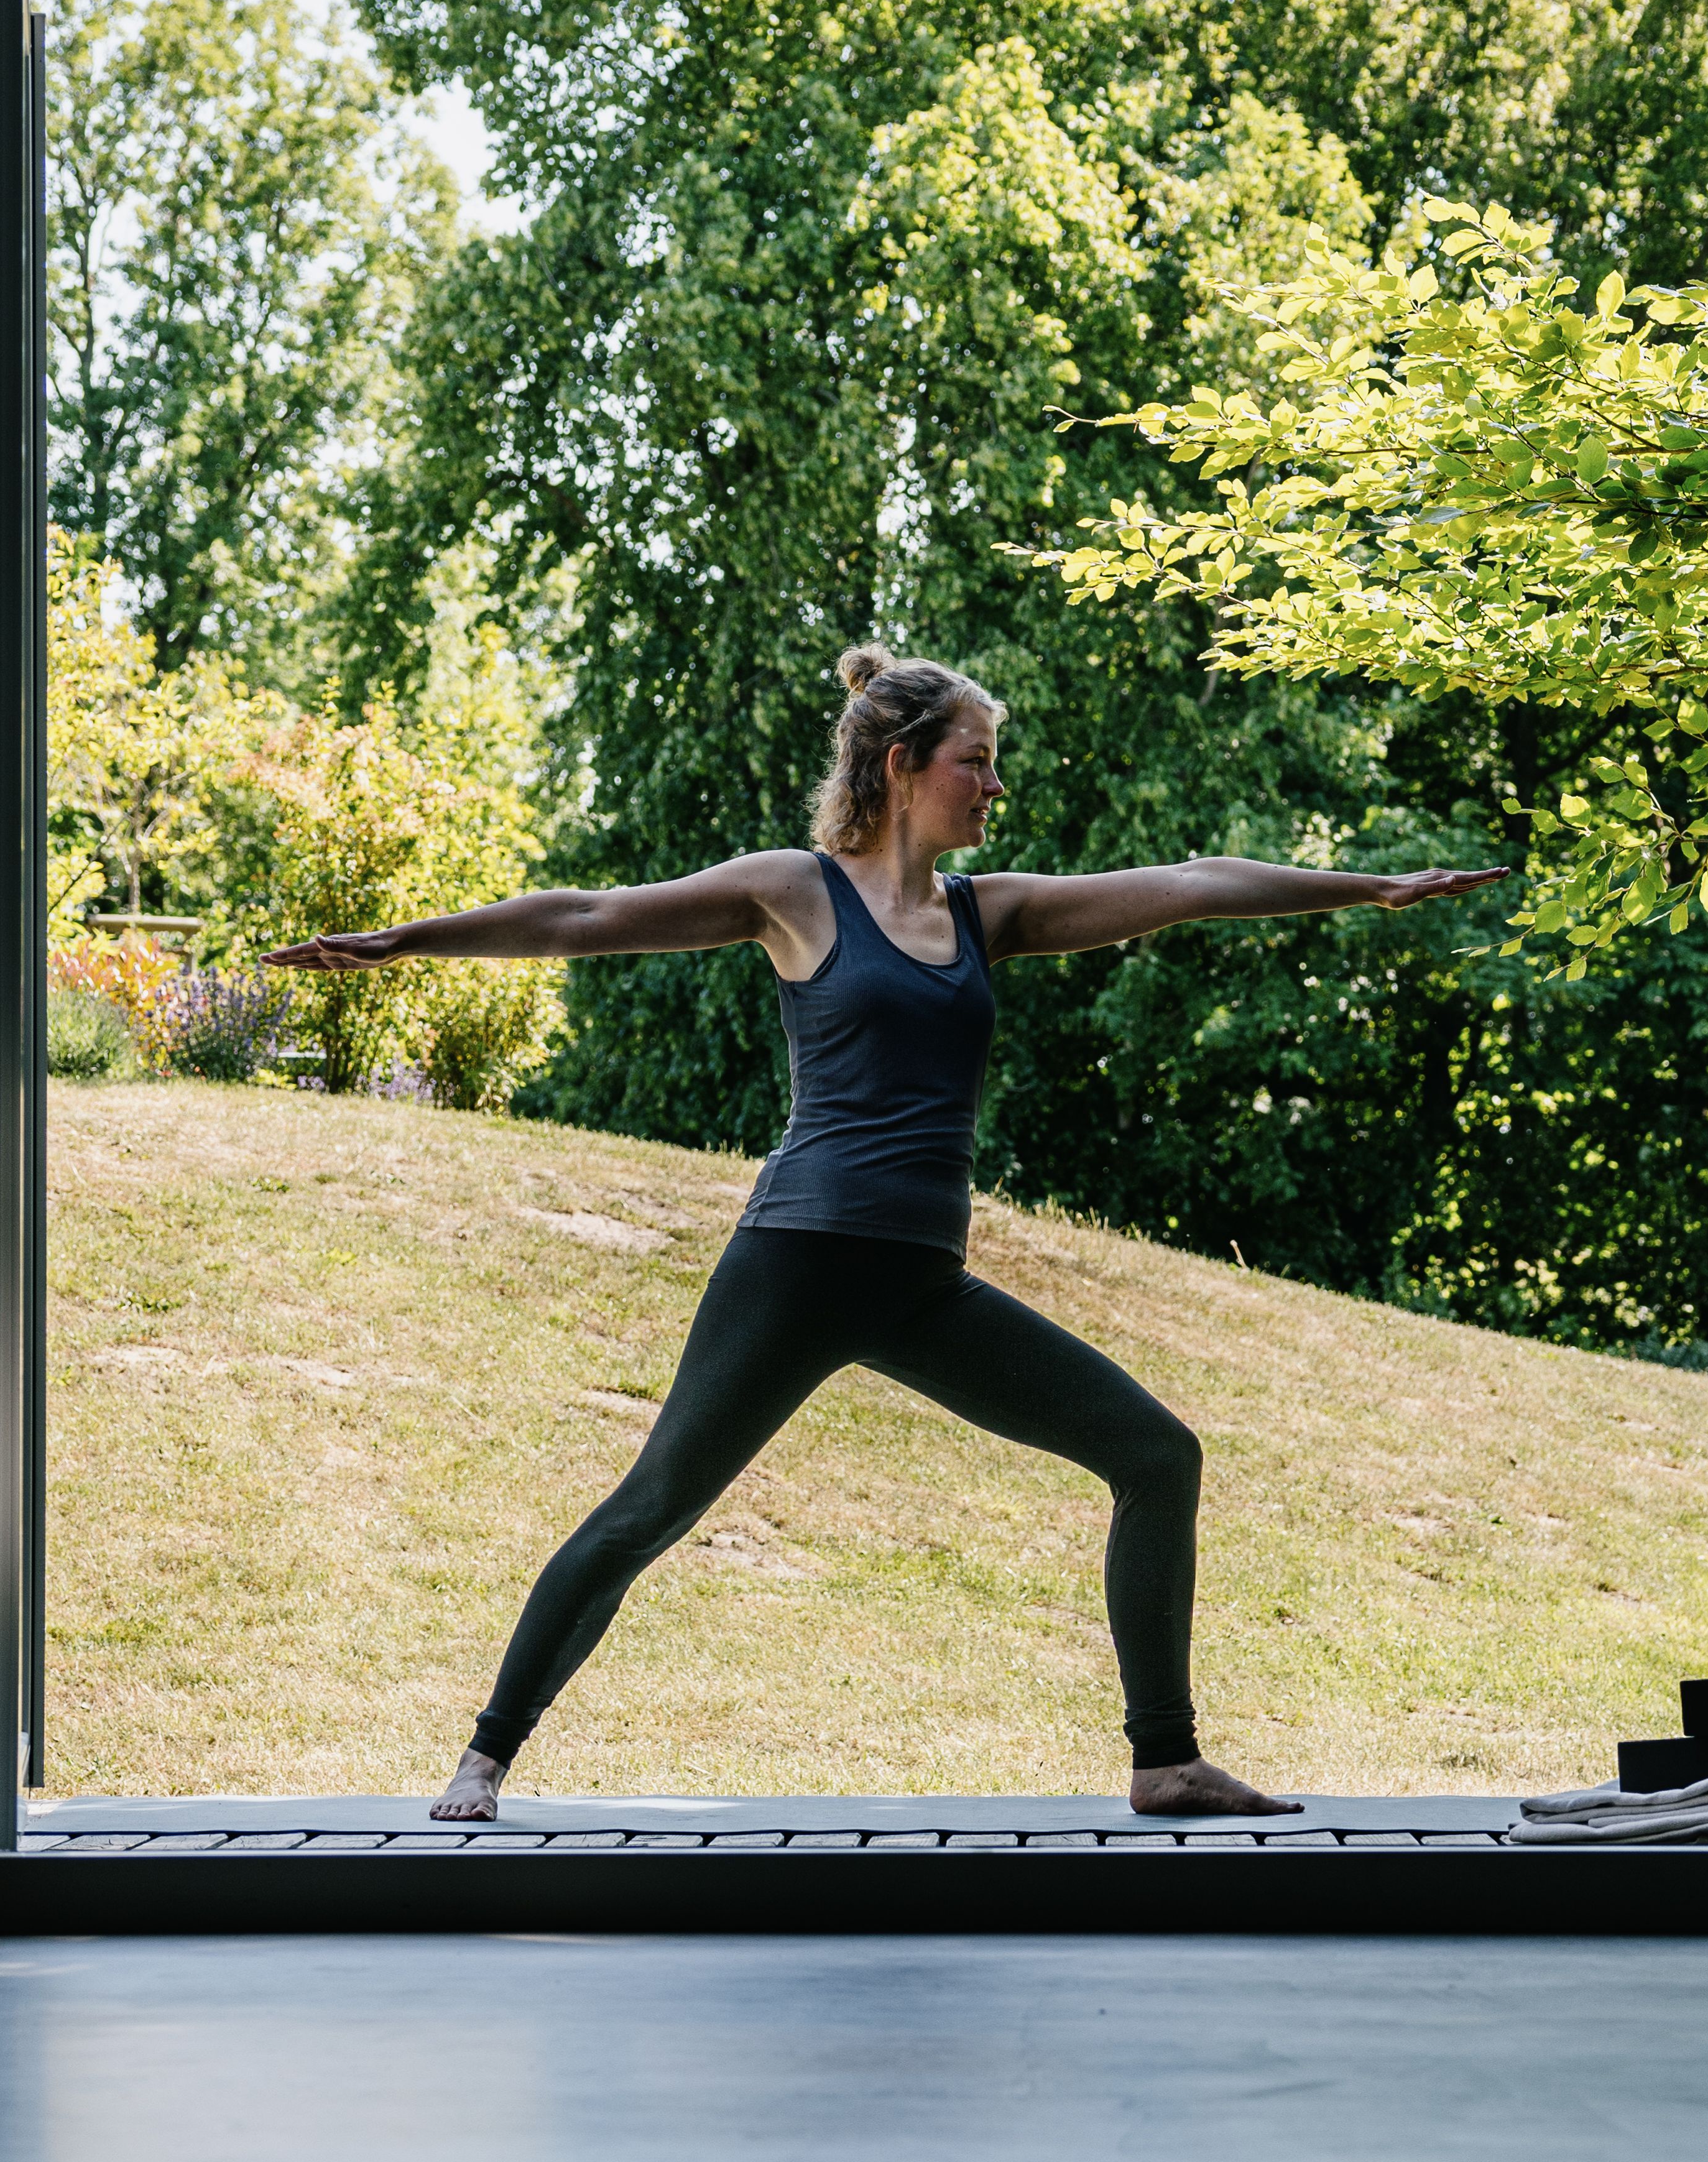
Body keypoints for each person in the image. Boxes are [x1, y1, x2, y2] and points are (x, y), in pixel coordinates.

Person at [266, 645, 1507, 1821]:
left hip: (922, 1284)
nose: (995, 785)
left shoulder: (986, 912)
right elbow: (586, 914)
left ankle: (1166, 1758)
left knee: (1155, 1453)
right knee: (650, 1507)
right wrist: (407, 941)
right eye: (976, 759)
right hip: (797, 1263)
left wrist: (1368, 885)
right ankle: (486, 1753)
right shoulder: (794, 891)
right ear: (905, 763)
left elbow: (1188, 887)